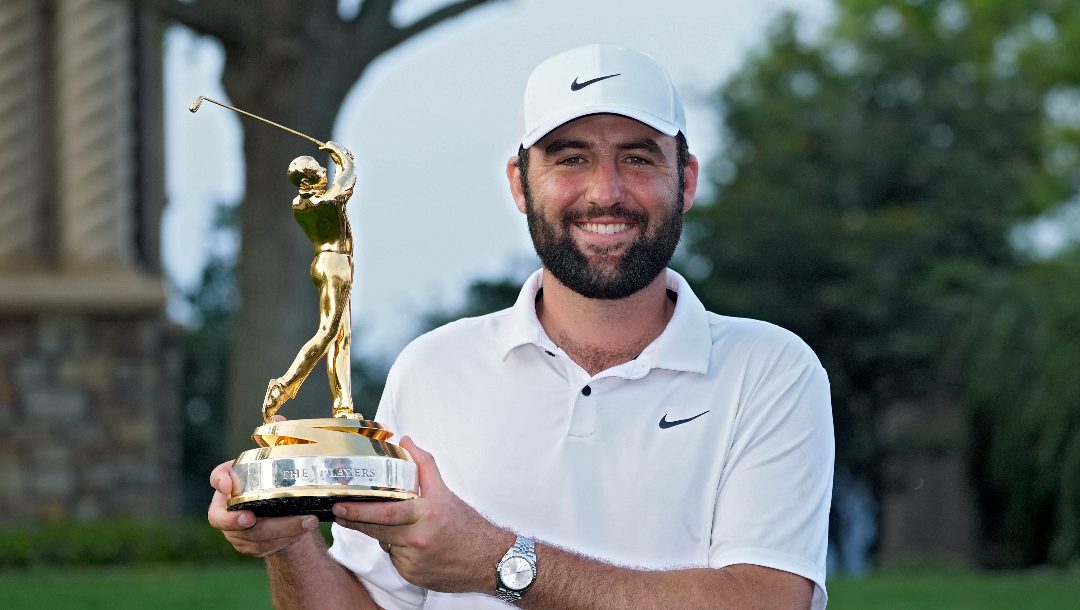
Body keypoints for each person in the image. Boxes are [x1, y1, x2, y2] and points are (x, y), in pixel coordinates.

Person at [209, 44, 834, 609]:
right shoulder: (434, 366)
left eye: (638, 159)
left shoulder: (771, 369)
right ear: (519, 183)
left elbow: (766, 599)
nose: (605, 191)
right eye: (571, 159)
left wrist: (498, 562)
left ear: (687, 179)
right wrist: (287, 544)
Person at [262, 141, 359, 423]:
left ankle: (343, 406)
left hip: (329, 263)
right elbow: (349, 180)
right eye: (316, 168)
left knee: (342, 337)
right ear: (306, 180)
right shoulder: (322, 202)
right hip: (335, 265)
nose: (322, 170)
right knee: (328, 333)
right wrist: (342, 156)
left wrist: (340, 160)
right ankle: (283, 386)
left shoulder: (301, 203)